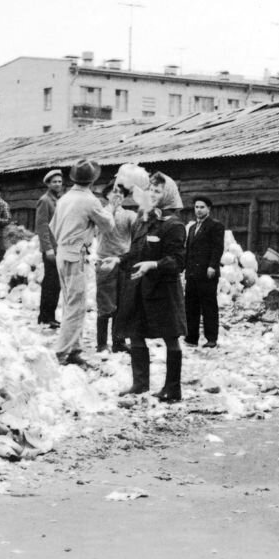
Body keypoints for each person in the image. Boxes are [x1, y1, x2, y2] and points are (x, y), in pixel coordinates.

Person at [107, 172, 187, 402]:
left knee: (170, 337)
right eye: (150, 189)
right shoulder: (144, 219)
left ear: (168, 195)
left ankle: (173, 389)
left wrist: (153, 264)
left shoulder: (173, 225)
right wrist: (119, 260)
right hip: (139, 287)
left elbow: (178, 261)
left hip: (163, 291)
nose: (152, 194)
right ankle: (140, 384)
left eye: (158, 191)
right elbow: (136, 251)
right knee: (135, 333)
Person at [50, 159, 114, 365]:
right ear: (93, 180)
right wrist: (112, 206)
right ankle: (60, 353)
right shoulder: (90, 200)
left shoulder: (65, 198)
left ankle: (74, 350)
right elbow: (108, 226)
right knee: (75, 306)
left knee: (70, 302)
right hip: (76, 254)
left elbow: (52, 226)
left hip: (64, 252)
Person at [95, 182, 136, 353]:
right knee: (105, 304)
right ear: (106, 195)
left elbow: (137, 229)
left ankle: (119, 341)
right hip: (105, 261)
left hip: (123, 261)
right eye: (113, 192)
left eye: (121, 193)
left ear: (125, 197)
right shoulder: (101, 212)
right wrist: (111, 208)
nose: (117, 195)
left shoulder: (129, 215)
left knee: (123, 303)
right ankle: (102, 344)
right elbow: (102, 224)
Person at [184, 195, 225, 348]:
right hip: (192, 273)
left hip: (207, 273)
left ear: (208, 209)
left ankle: (211, 338)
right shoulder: (193, 228)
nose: (199, 210)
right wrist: (184, 269)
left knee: (208, 306)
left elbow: (217, 247)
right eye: (196, 207)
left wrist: (212, 266)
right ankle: (191, 337)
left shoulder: (215, 226)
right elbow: (189, 250)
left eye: (202, 207)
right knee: (191, 306)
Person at [35, 169, 64, 329]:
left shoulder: (58, 200)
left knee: (55, 283)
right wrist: (48, 249)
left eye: (60, 181)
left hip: (60, 248)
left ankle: (48, 316)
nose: (58, 184)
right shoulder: (45, 200)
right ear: (48, 184)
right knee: (50, 283)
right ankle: (45, 316)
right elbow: (42, 226)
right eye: (54, 182)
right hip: (51, 249)